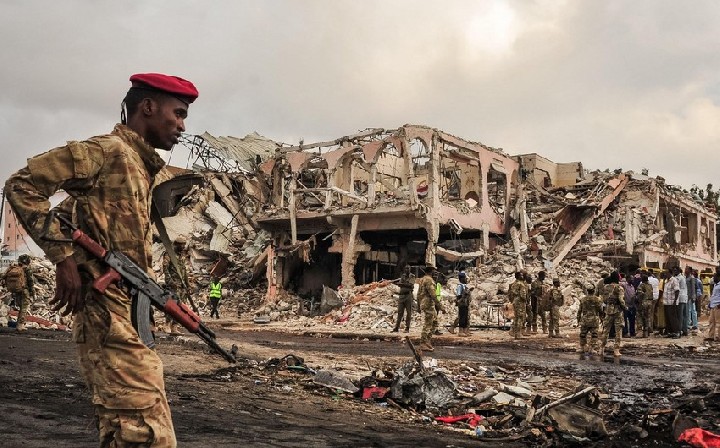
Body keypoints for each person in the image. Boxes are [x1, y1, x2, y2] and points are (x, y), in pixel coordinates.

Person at [4, 72, 199, 447]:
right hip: (105, 314)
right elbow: (22, 184)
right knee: (147, 433)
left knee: (126, 428)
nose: (182, 126)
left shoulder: (139, 167)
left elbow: (87, 223)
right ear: (148, 107)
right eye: (178, 113)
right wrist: (63, 257)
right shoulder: (107, 151)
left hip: (122, 312)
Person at [162, 241, 190, 334]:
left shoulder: (181, 256)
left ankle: (174, 326)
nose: (183, 246)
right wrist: (170, 281)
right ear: (176, 245)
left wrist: (187, 284)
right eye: (181, 245)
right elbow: (165, 268)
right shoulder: (169, 254)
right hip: (173, 285)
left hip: (181, 285)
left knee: (180, 307)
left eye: (184, 245)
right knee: (172, 305)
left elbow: (184, 271)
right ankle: (167, 324)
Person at [3, 254, 34, 331]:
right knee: (24, 308)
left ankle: (19, 324)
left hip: (17, 290)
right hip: (24, 290)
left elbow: (4, 276)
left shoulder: (14, 267)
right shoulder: (27, 269)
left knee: (20, 307)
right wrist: (32, 292)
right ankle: (20, 325)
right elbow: (30, 281)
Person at [599, 271, 626, 357]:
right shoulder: (620, 288)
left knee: (606, 330)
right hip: (618, 311)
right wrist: (625, 308)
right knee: (618, 331)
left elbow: (603, 299)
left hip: (608, 310)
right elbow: (621, 300)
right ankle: (616, 350)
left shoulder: (606, 287)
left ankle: (601, 348)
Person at [577, 283, 603, 357]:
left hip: (585, 319)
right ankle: (592, 348)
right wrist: (602, 319)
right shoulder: (597, 299)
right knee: (594, 335)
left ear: (587, 291)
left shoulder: (583, 299)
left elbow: (579, 311)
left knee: (583, 334)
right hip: (594, 320)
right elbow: (600, 310)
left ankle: (582, 347)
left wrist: (578, 320)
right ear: (593, 290)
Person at [418, 264, 438, 351]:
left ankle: (427, 341)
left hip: (426, 303)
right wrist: (440, 306)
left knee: (435, 322)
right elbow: (433, 294)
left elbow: (418, 293)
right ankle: (423, 343)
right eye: (434, 271)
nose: (435, 272)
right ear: (431, 271)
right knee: (428, 324)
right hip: (428, 304)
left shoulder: (422, 279)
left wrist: (419, 305)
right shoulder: (429, 280)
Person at [392, 265, 415, 333]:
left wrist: (402, 284)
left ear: (410, 269)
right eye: (406, 268)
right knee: (400, 312)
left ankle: (407, 327)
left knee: (409, 312)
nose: (407, 270)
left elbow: (411, 285)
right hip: (401, 295)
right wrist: (404, 284)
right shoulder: (403, 276)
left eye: (408, 268)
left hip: (408, 295)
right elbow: (400, 284)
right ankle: (396, 327)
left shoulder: (412, 276)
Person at [508, 272, 528, 339]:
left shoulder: (513, 284)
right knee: (520, 318)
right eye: (521, 275)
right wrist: (526, 300)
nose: (522, 276)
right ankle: (518, 334)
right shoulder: (521, 284)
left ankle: (515, 333)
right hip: (520, 302)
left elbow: (510, 294)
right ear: (518, 276)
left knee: (516, 318)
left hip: (515, 301)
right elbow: (523, 295)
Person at [663, 268, 680, 338]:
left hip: (672, 303)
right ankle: (670, 332)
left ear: (670, 273)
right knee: (668, 318)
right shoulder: (666, 281)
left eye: (666, 273)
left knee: (673, 318)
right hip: (666, 303)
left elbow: (677, 291)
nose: (665, 274)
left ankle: (677, 332)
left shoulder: (674, 280)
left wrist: (675, 301)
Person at [453, 271, 472, 337]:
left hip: (466, 304)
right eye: (464, 278)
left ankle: (465, 331)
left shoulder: (465, 286)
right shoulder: (460, 286)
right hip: (462, 304)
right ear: (461, 278)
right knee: (462, 317)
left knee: (465, 317)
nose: (466, 279)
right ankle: (460, 331)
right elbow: (459, 295)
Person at [705, 273, 720, 342]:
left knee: (718, 322)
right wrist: (710, 304)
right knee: (711, 321)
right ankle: (711, 336)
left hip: (718, 306)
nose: (713, 278)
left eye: (714, 277)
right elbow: (714, 296)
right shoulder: (715, 285)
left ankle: (719, 337)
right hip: (713, 305)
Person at [675, 266, 689, 337]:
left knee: (680, 316)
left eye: (675, 270)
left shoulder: (678, 278)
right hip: (684, 297)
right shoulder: (683, 277)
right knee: (684, 315)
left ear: (678, 271)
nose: (674, 272)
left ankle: (679, 331)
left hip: (680, 298)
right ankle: (685, 330)